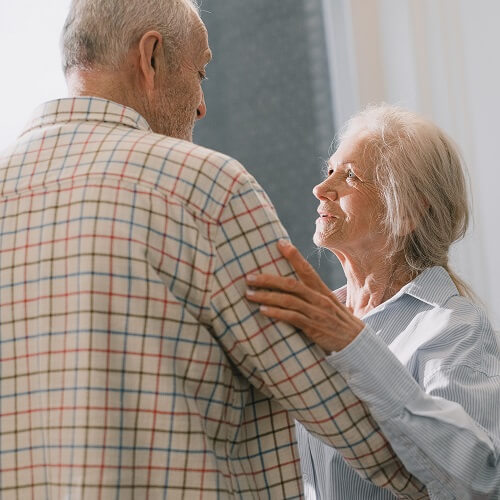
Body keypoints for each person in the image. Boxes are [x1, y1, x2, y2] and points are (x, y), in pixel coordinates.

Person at [0, 2, 429, 499]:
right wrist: (457, 473)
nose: (202, 103)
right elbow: (345, 418)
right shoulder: (206, 188)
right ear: (151, 56)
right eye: (200, 72)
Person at [246, 104, 500, 499]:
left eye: (349, 176)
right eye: (329, 170)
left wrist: (356, 347)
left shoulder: (454, 327)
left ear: (409, 210)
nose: (321, 188)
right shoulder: (316, 318)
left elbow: (480, 481)